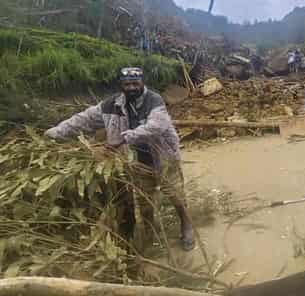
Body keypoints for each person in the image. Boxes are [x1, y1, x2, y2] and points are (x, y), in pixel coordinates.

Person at [45, 67, 195, 250]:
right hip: (136, 161)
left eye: (135, 83)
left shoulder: (154, 100)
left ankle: (186, 225)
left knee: (175, 195)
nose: (131, 87)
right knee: (145, 201)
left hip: (163, 157)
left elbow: (157, 126)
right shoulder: (111, 105)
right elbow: (82, 119)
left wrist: (123, 138)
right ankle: (151, 233)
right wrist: (55, 132)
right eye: (126, 84)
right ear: (120, 86)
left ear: (142, 83)